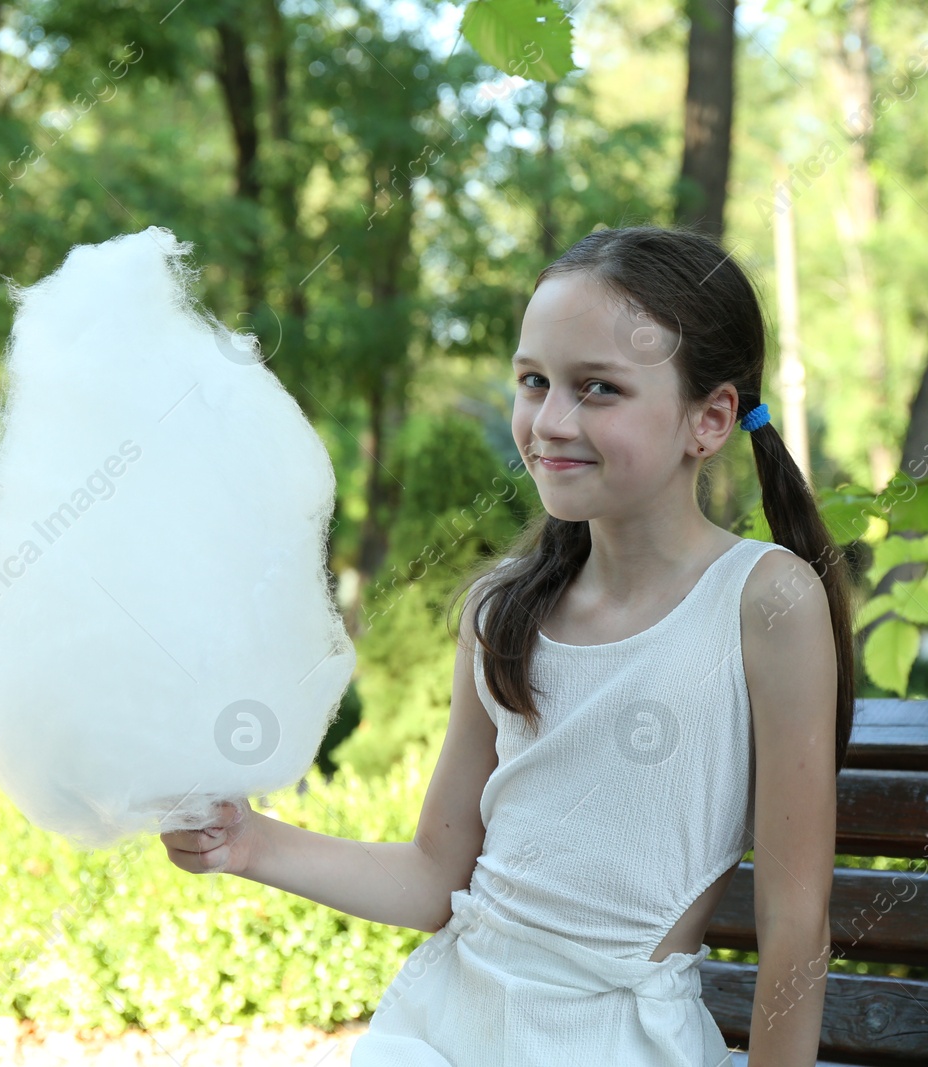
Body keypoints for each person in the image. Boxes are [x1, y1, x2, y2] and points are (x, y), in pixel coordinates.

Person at [162, 225, 855, 1066]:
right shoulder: (504, 609)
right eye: (534, 382)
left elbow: (794, 923)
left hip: (617, 1039)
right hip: (450, 1022)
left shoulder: (765, 601)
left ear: (708, 418)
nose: (551, 421)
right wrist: (250, 842)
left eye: (598, 388)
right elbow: (434, 875)